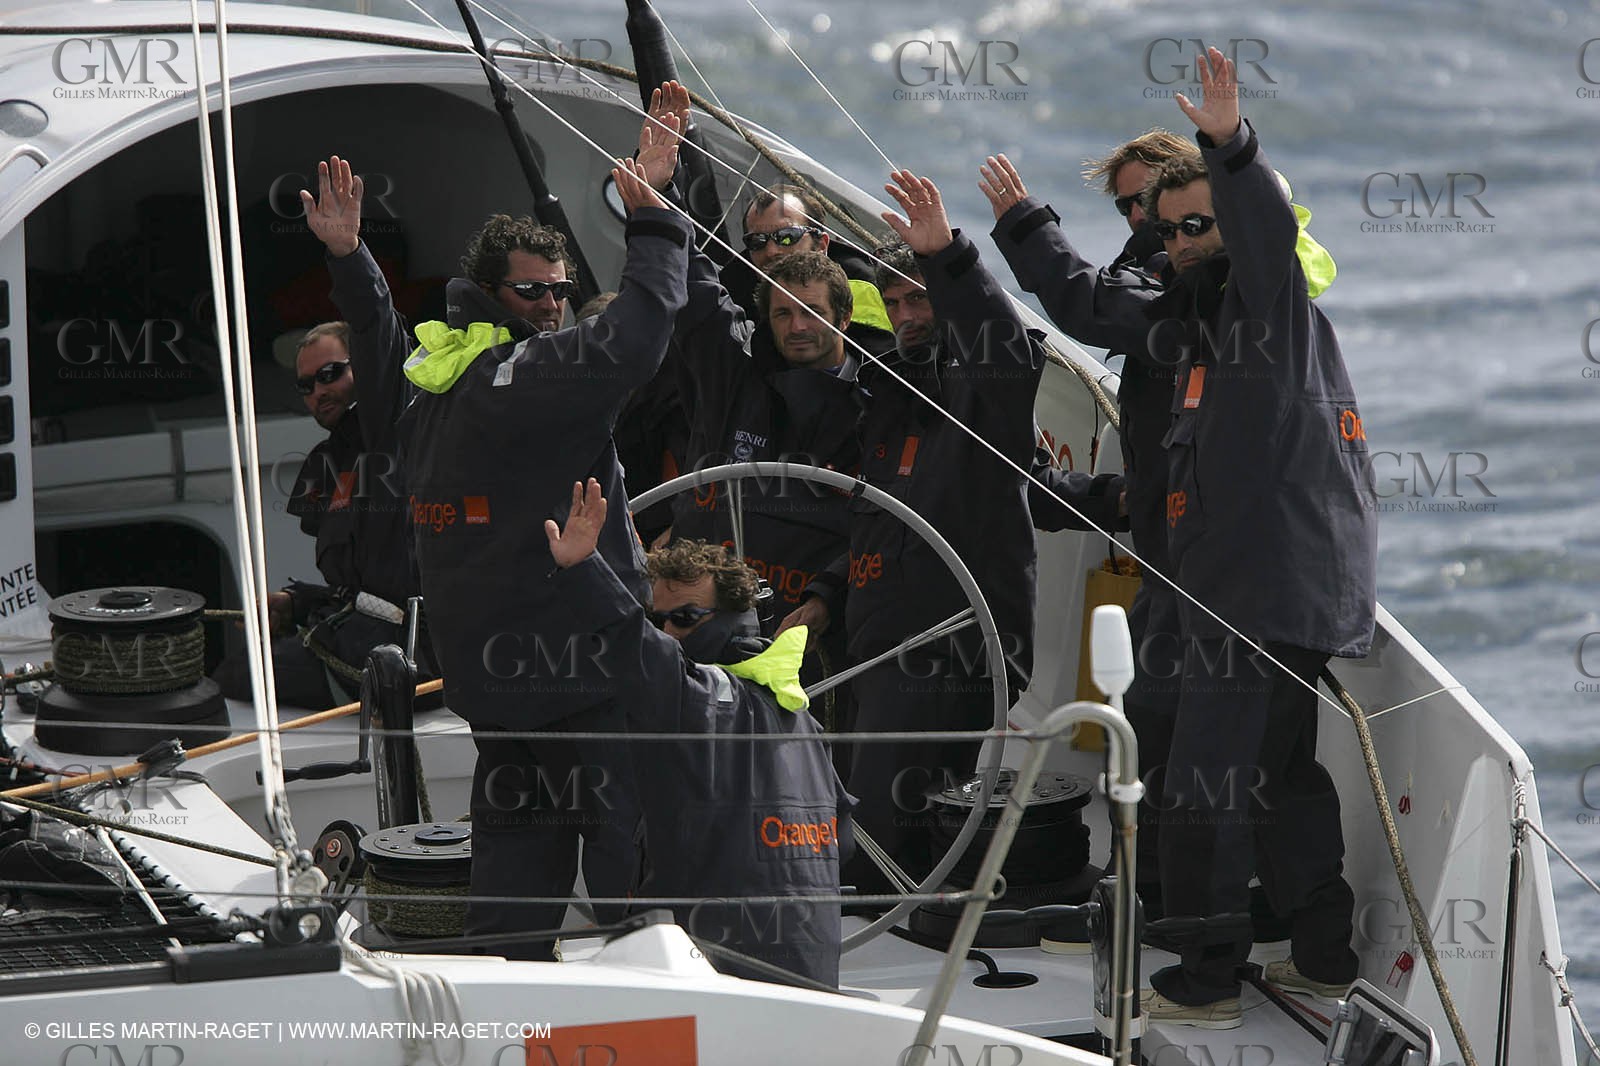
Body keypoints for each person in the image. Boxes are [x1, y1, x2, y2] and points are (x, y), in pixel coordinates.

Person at [301, 109, 689, 954]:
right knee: (643, 911)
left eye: (560, 289)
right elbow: (640, 333)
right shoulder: (522, 380)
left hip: (496, 699)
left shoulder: (429, 383)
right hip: (586, 694)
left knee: (509, 907)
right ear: (490, 295)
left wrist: (350, 257)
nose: (554, 306)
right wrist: (655, 217)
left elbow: (374, 341)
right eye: (534, 292)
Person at [781, 170, 1048, 890]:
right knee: (850, 804)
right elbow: (877, 521)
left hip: (950, 650)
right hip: (873, 645)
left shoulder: (983, 394)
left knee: (877, 839)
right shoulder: (887, 399)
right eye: (893, 301)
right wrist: (828, 590)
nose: (905, 313)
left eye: (919, 298)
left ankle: (880, 946)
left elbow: (1009, 352)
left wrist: (948, 256)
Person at [544, 479, 852, 988]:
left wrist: (582, 566)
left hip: (717, 981)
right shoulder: (799, 712)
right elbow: (844, 842)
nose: (667, 633)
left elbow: (631, 642)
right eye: (657, 619)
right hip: (812, 979)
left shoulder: (699, 698)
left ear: (734, 619)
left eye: (684, 619)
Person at [211, 319, 426, 709]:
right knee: (234, 673)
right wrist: (296, 602)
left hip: (409, 658)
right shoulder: (328, 461)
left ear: (365, 365)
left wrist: (349, 257)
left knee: (234, 681)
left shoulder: (401, 433)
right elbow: (363, 589)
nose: (319, 392)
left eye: (330, 374)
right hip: (356, 638)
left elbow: (376, 326)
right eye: (306, 385)